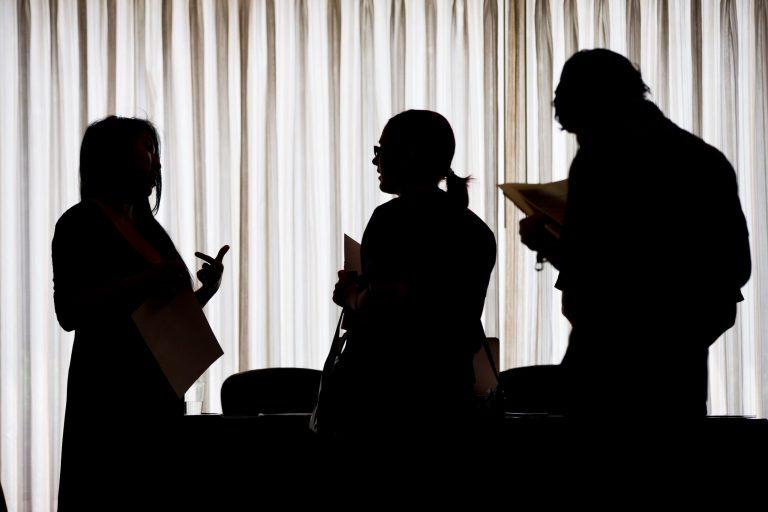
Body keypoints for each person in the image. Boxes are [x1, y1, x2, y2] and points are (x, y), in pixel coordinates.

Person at [507, 48, 752, 419]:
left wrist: (543, 242)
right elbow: (736, 269)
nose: (578, 140)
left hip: (605, 368)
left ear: (588, 110)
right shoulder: (704, 160)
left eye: (578, 129)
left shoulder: (600, 161)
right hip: (679, 375)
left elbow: (595, 270)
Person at [52, 115, 229, 509]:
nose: (157, 162)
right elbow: (69, 311)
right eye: (147, 149)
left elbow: (159, 316)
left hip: (159, 393)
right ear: (112, 156)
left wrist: (206, 291)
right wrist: (145, 281)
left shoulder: (149, 228)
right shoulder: (80, 224)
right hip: (110, 398)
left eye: (156, 150)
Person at [322, 110, 497, 462]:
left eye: (381, 148)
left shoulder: (391, 219)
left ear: (410, 153)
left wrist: (351, 296)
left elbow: (389, 301)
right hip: (450, 398)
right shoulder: (476, 230)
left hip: (387, 404)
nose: (375, 159)